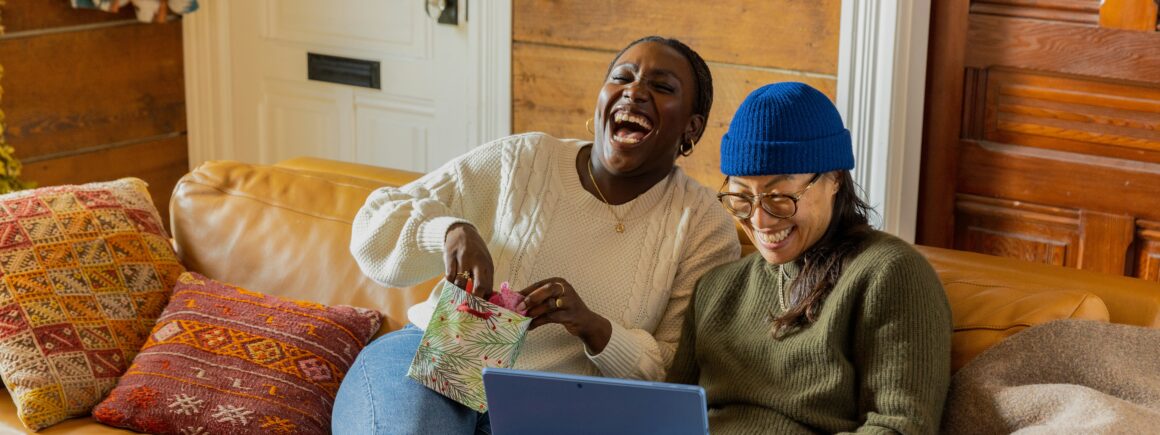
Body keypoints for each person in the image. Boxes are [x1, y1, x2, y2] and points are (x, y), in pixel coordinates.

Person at [333, 36, 741, 434]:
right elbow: (373, 225)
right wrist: (448, 232)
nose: (634, 91)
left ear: (691, 128)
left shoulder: (703, 224)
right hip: (435, 358)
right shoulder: (524, 160)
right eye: (622, 77)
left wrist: (594, 328)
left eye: (661, 86)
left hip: (558, 406)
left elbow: (674, 372)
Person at [666, 82, 952, 434]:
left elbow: (900, 427)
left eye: (780, 197)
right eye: (742, 198)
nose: (759, 220)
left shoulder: (889, 274)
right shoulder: (714, 289)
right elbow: (667, 414)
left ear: (833, 178)